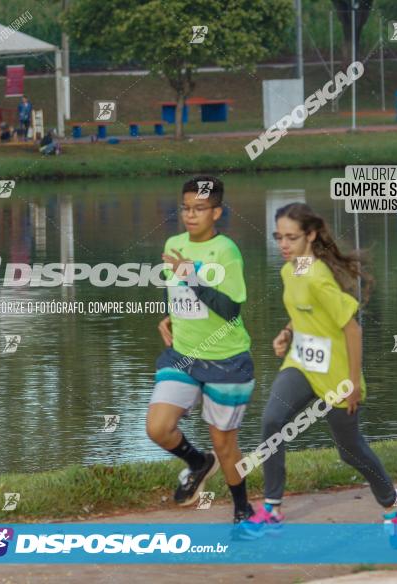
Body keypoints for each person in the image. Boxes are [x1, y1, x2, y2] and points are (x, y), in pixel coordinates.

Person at [236, 202, 397, 540]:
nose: (283, 245)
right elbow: (304, 311)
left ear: (311, 235)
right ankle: (272, 508)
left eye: (291, 237)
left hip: (336, 374)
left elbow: (353, 329)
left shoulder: (318, 276)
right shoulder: (291, 270)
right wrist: (287, 332)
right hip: (301, 364)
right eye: (278, 237)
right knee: (272, 421)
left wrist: (352, 383)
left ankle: (393, 504)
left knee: (349, 451)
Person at [146, 176, 258, 528]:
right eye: (186, 208)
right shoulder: (174, 243)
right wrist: (168, 316)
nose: (190, 215)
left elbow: (230, 310)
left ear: (217, 212)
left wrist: (192, 277)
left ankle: (242, 509)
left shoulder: (226, 251)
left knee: (225, 445)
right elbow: (174, 290)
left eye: (199, 209)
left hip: (227, 360)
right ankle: (197, 463)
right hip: (182, 355)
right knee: (158, 427)